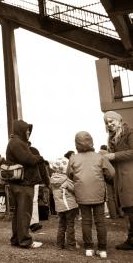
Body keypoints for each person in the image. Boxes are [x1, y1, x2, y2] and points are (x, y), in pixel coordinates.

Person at [67, 131, 115, 259]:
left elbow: (69, 175)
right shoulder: (100, 157)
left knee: (86, 221)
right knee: (100, 221)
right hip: (98, 193)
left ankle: (88, 248)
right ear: (91, 141)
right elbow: (111, 173)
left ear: (76, 143)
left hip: (82, 194)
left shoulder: (73, 158)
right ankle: (103, 249)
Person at [5, 119, 44, 248]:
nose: (28, 132)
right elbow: (28, 159)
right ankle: (25, 241)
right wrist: (39, 158)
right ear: (21, 130)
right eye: (27, 130)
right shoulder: (17, 142)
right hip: (23, 183)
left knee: (19, 212)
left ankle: (17, 239)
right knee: (24, 212)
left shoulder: (15, 142)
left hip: (19, 183)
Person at [102, 111, 133, 250]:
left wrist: (113, 155)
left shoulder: (130, 133)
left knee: (131, 208)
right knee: (128, 209)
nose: (109, 124)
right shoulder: (112, 137)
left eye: (111, 121)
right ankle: (131, 238)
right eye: (107, 122)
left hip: (130, 175)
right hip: (121, 177)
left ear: (118, 120)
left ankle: (132, 240)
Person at [50, 157, 78, 250]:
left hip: (59, 207)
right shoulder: (66, 179)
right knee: (70, 225)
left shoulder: (53, 180)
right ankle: (71, 245)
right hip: (70, 206)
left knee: (61, 225)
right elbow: (75, 189)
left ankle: (59, 244)